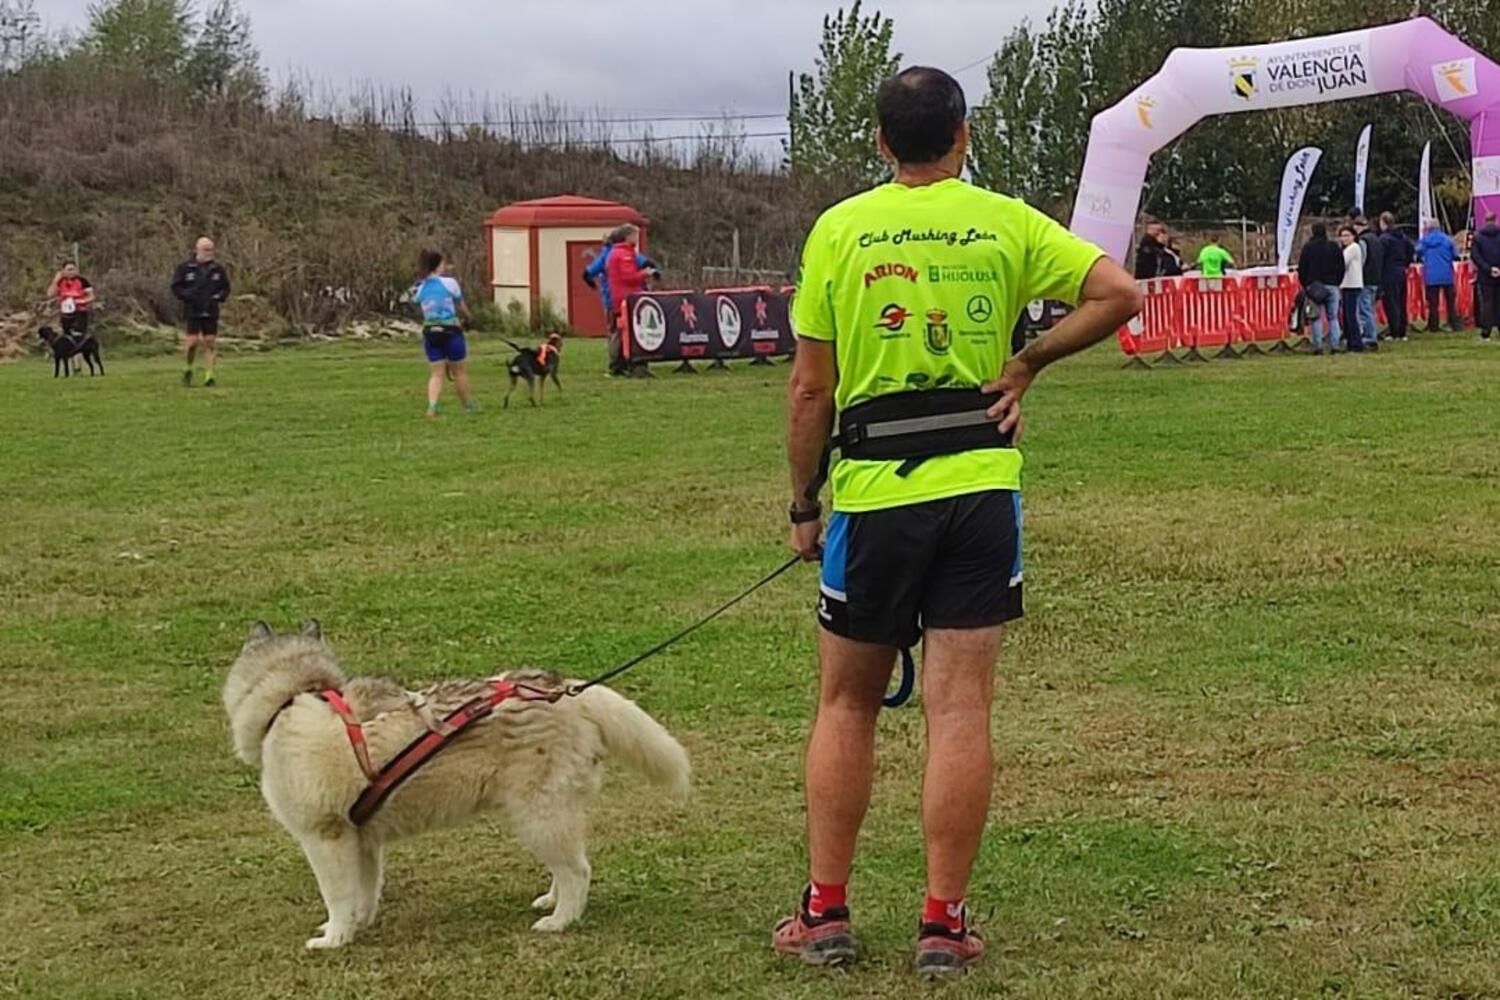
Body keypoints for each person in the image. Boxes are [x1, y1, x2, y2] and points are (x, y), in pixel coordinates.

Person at [780, 65, 1141, 977]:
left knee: (846, 701)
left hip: (873, 493)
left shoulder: (842, 230)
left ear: (878, 142)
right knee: (959, 708)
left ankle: (826, 912)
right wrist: (1027, 363)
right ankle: (943, 924)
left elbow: (811, 386)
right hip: (980, 490)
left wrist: (801, 504)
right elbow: (1121, 294)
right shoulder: (1005, 220)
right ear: (965, 135)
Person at [585, 227, 657, 376]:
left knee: (620, 331)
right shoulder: (620, 254)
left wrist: (591, 281)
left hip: (616, 296)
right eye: (634, 235)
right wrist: (645, 273)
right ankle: (619, 365)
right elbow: (631, 274)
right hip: (619, 298)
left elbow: (589, 272)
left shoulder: (620, 253)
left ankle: (624, 364)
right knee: (619, 331)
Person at [412, 249, 476, 418]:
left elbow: (419, 304)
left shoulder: (421, 287)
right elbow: (460, 304)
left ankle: (432, 407)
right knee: (459, 372)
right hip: (451, 331)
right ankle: (468, 405)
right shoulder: (450, 283)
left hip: (431, 333)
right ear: (438, 265)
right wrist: (470, 318)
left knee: (436, 373)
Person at [170, 237, 231, 387]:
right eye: (205, 249)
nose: (209, 253)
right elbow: (176, 287)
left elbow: (226, 288)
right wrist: (186, 296)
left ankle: (209, 376)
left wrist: (219, 297)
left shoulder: (218, 269)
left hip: (210, 310)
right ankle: (188, 368)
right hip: (193, 310)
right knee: (192, 343)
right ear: (197, 249)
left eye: (211, 249)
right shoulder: (185, 268)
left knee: (210, 343)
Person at [1297, 223, 1345, 355]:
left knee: (1315, 317)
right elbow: (1341, 266)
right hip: (1332, 285)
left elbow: (1302, 268)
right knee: (1333, 317)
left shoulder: (1308, 248)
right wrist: (1337, 282)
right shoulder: (1334, 247)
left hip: (1314, 286)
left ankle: (1318, 346)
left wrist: (1306, 284)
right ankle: (1335, 345)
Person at [46, 261, 95, 374]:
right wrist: (55, 280)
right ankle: (71, 367)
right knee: (67, 339)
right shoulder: (61, 282)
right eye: (69, 269)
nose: (72, 272)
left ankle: (78, 367)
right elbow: (50, 294)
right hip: (66, 314)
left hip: (80, 313)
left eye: (73, 269)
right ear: (63, 271)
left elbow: (91, 296)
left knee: (77, 338)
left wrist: (81, 301)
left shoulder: (82, 281)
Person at [1416, 221, 1461, 333]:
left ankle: (1433, 326)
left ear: (1428, 229)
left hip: (1431, 275)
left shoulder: (1424, 241)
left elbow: (1417, 253)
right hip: (1447, 275)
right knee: (1450, 302)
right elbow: (1455, 255)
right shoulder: (1448, 240)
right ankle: (1454, 324)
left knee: (1433, 303)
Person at [1377, 213, 1414, 341]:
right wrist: (1406, 263)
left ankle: (1394, 331)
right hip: (1401, 271)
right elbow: (1411, 251)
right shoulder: (1403, 237)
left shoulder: (1384, 239)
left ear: (1383, 223)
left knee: (1391, 302)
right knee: (1401, 301)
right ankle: (1402, 331)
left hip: (1388, 272)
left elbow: (1380, 257)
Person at [1469, 212, 1500, 342]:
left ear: (1484, 220)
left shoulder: (1478, 237)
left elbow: (1475, 256)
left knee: (1486, 303)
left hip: (1485, 275)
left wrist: (1488, 269)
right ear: (1495, 219)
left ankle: (1486, 331)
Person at [1356, 216, 1384, 349]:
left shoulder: (1363, 241)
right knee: (1370, 308)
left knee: (1365, 309)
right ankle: (1372, 334)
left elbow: (1361, 261)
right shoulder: (1376, 239)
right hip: (1376, 278)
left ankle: (1370, 336)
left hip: (1366, 279)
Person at [1338, 226, 1366, 353]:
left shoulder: (1353, 248)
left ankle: (1356, 342)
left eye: (1347, 235)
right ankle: (1351, 341)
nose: (1344, 238)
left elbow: (1342, 262)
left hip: (1352, 284)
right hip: (1347, 284)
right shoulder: (1348, 249)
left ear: (1353, 236)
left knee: (1351, 315)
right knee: (1347, 315)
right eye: (1342, 236)